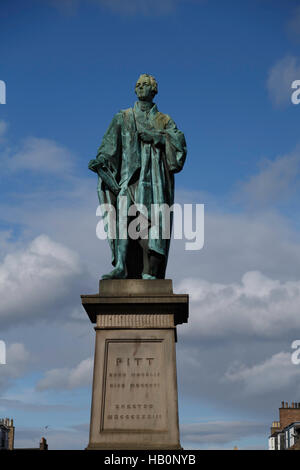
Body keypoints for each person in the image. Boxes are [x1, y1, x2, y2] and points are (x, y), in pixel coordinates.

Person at [88, 74, 187, 279]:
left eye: (145, 85)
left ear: (154, 90)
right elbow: (108, 147)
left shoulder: (164, 120)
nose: (141, 88)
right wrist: (101, 161)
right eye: (138, 85)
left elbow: (179, 149)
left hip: (155, 183)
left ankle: (149, 271)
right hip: (128, 179)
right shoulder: (122, 117)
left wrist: (158, 138)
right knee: (123, 218)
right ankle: (121, 266)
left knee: (153, 223)